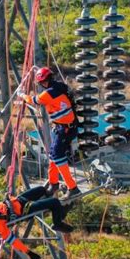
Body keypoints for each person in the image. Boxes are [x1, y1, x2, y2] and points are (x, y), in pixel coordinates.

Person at [0, 185, 73, 259]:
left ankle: (59, 208)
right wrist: (29, 253)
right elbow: (13, 241)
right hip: (25, 210)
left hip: (18, 201)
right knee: (54, 202)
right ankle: (57, 222)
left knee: (41, 190)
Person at [22, 67, 81, 198]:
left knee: (58, 156)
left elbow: (33, 100)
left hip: (65, 129)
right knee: (53, 154)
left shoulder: (48, 94)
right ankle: (53, 182)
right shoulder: (60, 86)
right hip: (64, 127)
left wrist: (22, 95)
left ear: (42, 82)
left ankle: (73, 188)